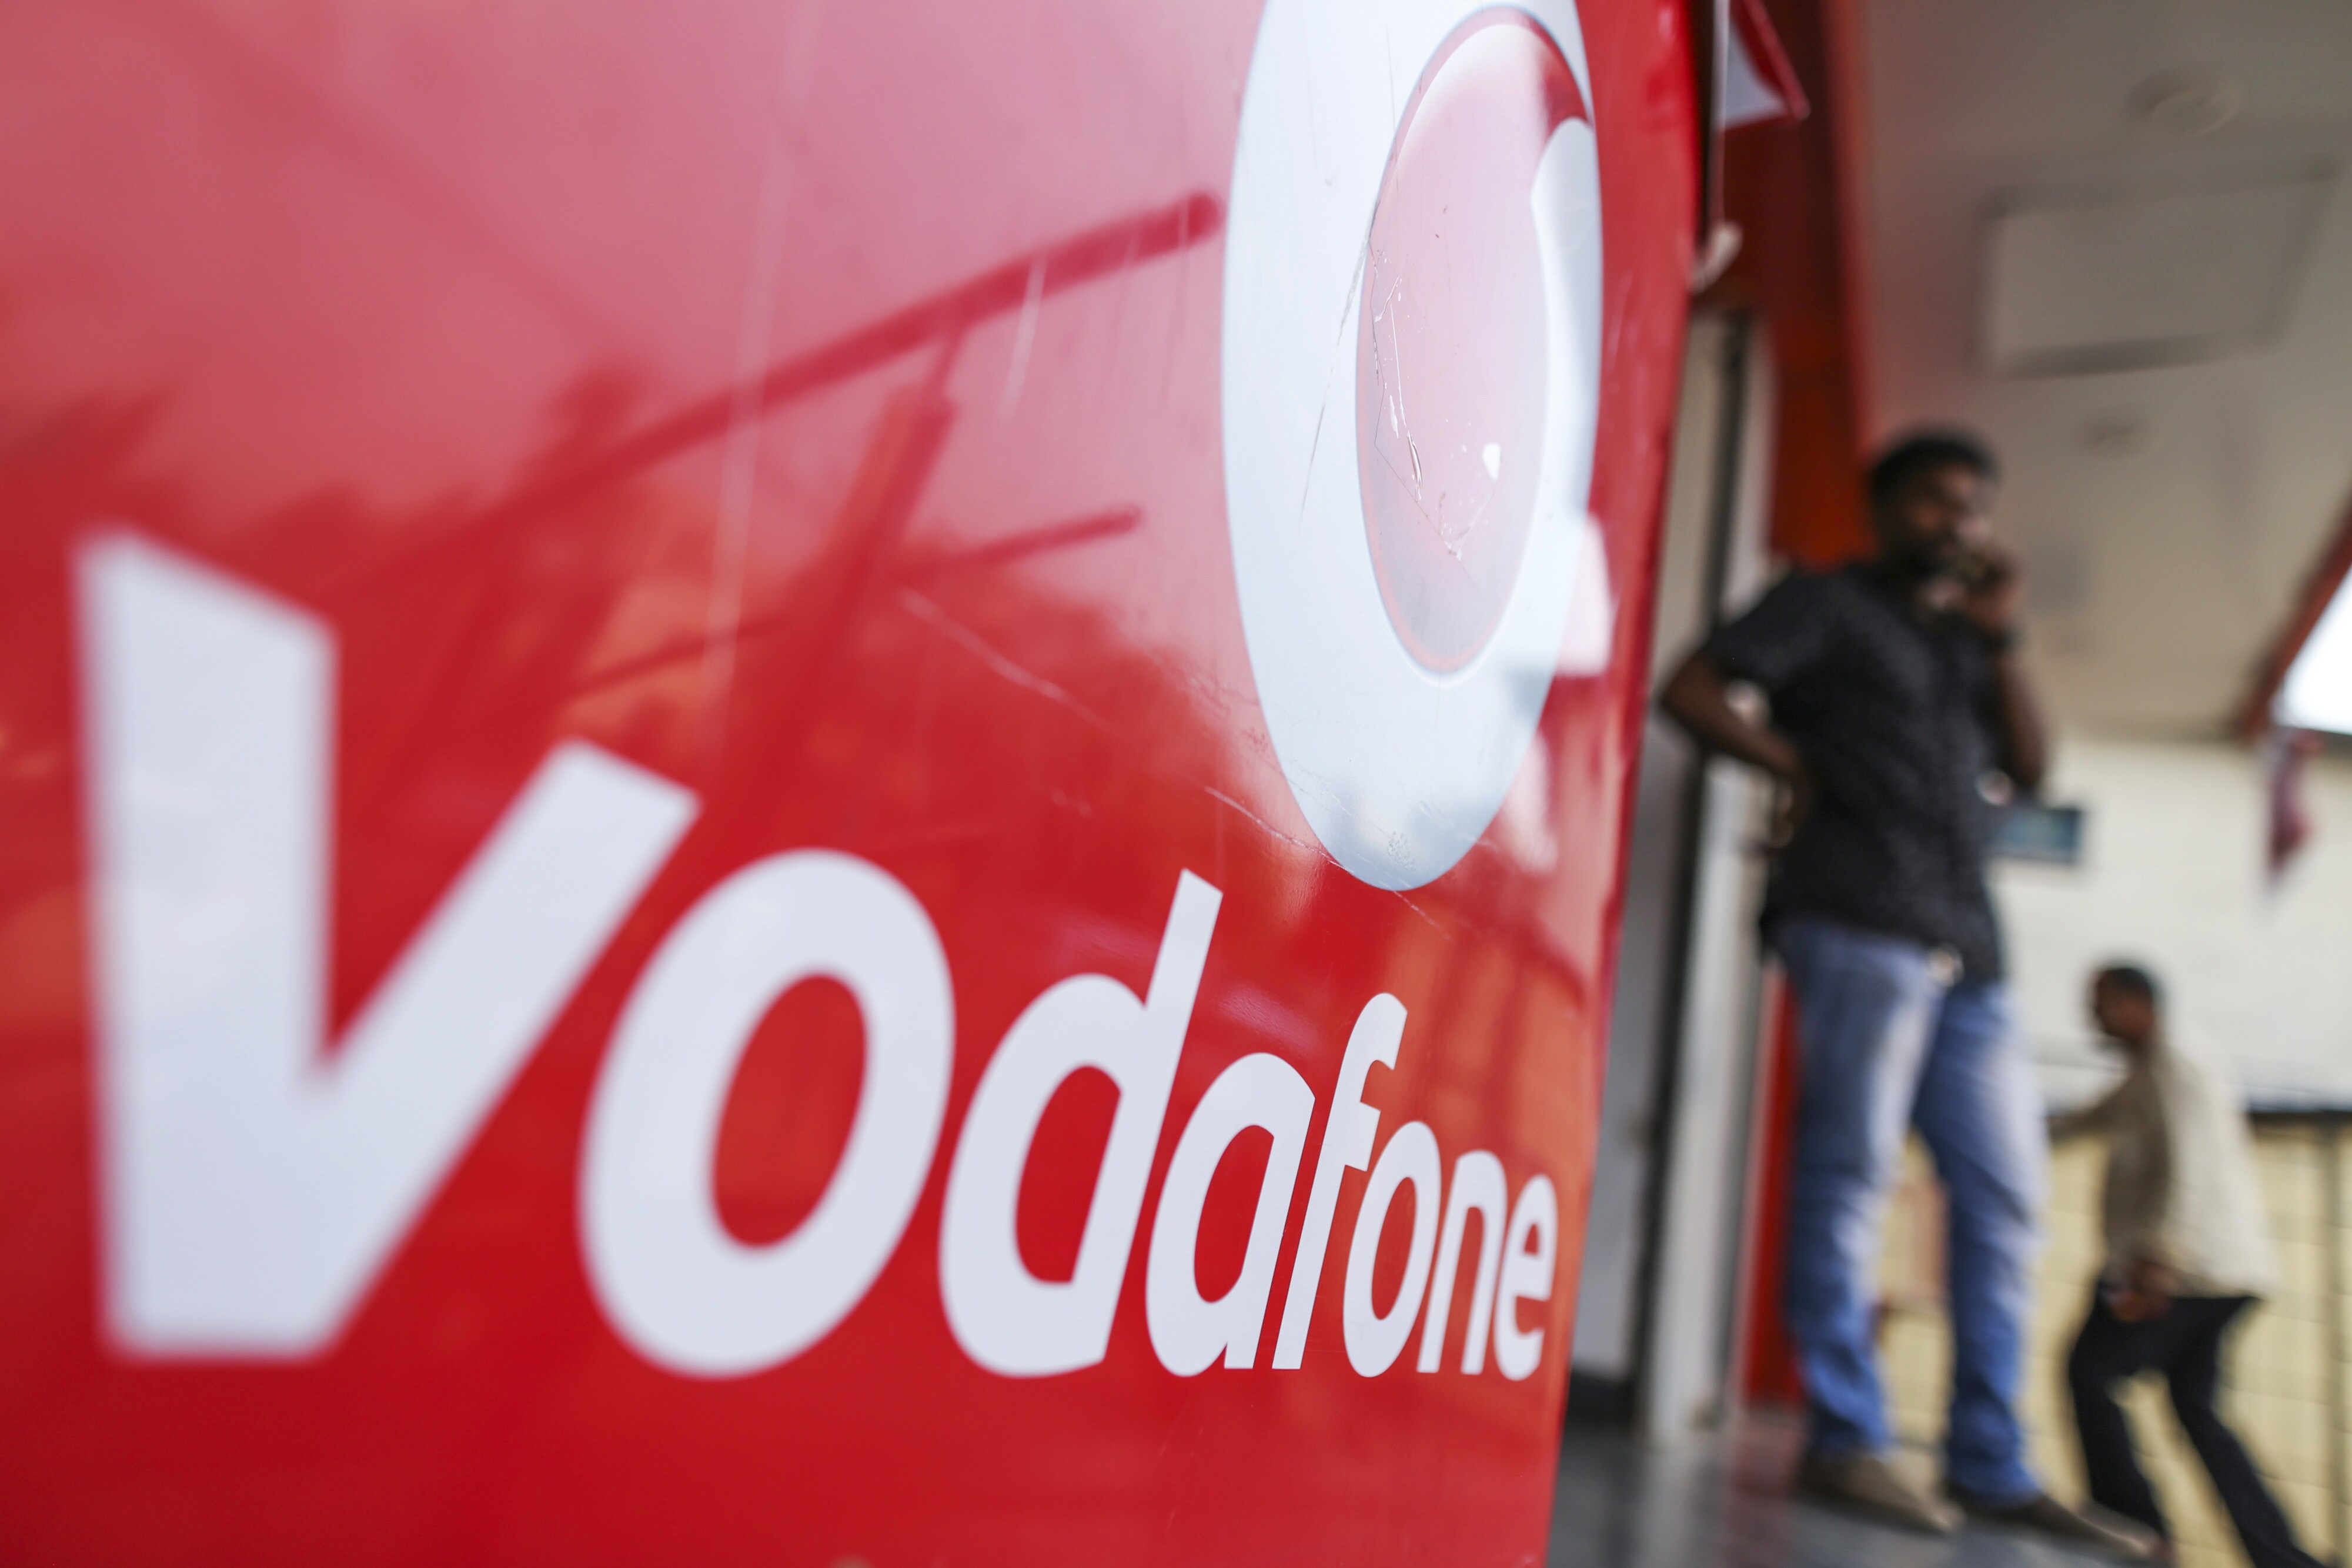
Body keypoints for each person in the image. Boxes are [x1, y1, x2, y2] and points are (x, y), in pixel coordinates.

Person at [1661, 431, 2144, 1556]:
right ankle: (1844, 1436)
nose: (1957, 521)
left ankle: (1990, 1464)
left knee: (2005, 1199)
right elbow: (1690, 687)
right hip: (1857, 919)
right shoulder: (1824, 602)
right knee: (1853, 1176)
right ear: (1883, 508)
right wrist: (1792, 764)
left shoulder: (1969, 642)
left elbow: (2034, 769)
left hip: (1971, 950)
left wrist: (2005, 632)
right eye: (1934, 499)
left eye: (1973, 505)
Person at [2059, 964, 2321, 1568]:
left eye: (2100, 1003)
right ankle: (2280, 1557)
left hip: (2189, 1277)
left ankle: (2133, 1529)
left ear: (2137, 1003)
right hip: (2219, 1276)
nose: (2091, 1018)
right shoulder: (2148, 1071)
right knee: (2197, 1409)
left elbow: (2191, 1166)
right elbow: (2082, 1119)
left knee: (2091, 1372)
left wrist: (2161, 1259)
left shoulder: (2177, 1066)